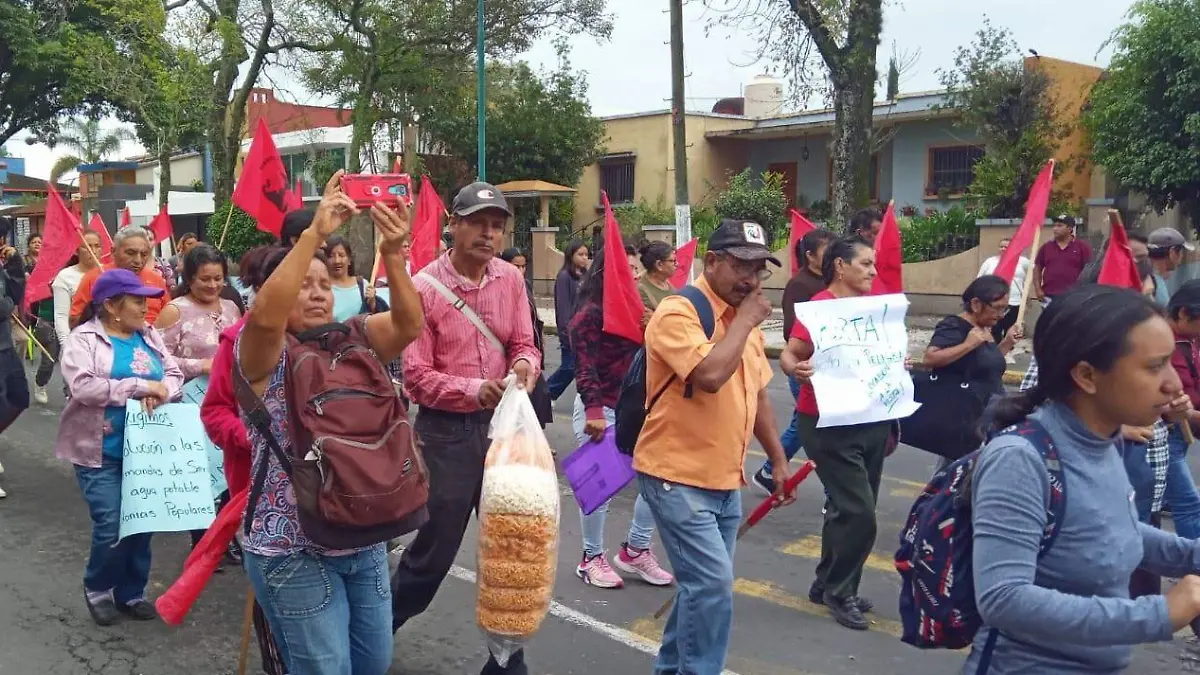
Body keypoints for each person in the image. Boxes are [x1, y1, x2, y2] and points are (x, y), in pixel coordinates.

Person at [236, 171, 423, 675]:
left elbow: (409, 324)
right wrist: (315, 233)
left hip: (363, 536)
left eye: (325, 284)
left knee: (373, 664)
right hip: (292, 546)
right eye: (304, 284)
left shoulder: (357, 336)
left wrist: (397, 252)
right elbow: (266, 319)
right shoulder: (260, 355)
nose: (317, 294)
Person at [963, 283, 1200, 674]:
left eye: (1170, 363)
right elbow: (1004, 598)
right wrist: (1159, 613)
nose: (1174, 385)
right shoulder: (1020, 459)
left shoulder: (1103, 439)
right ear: (1087, 375)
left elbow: (1107, 531)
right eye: (1154, 366)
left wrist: (1190, 555)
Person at [394, 181, 540, 675]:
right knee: (433, 553)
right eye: (478, 222)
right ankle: (370, 635)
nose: (488, 233)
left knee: (514, 553)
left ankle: (506, 661)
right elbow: (415, 375)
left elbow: (526, 342)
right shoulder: (422, 287)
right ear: (452, 225)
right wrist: (473, 390)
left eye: (497, 226)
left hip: (506, 430)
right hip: (447, 436)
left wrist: (524, 367)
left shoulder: (511, 280)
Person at [637, 219, 793, 673]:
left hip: (725, 481)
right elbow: (707, 376)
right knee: (711, 588)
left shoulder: (745, 320)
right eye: (742, 266)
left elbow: (759, 393)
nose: (751, 278)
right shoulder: (678, 312)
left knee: (699, 590)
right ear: (712, 262)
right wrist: (744, 320)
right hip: (675, 477)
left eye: (760, 268)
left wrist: (779, 462)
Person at [54, 269, 183, 625]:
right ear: (111, 305)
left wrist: (164, 392)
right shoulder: (83, 341)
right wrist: (140, 387)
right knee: (111, 524)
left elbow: (172, 375)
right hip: (99, 452)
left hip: (145, 452)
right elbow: (83, 387)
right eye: (138, 300)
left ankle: (131, 592)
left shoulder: (149, 335)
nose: (146, 307)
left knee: (142, 523)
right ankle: (98, 587)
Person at [783, 236, 892, 630]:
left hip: (872, 420)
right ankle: (840, 591)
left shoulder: (874, 308)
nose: (873, 271)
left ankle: (827, 581)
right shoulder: (820, 307)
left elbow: (882, 358)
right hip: (828, 422)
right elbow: (791, 353)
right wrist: (796, 368)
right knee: (860, 512)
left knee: (847, 509)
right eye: (865, 264)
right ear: (840, 266)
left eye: (874, 264)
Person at [199, 243, 287, 675]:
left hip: (327, 498)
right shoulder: (236, 342)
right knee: (274, 600)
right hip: (259, 490)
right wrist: (251, 436)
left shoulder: (338, 338)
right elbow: (214, 412)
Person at [567, 246, 674, 589]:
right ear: (606, 273)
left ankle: (636, 550)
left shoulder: (638, 311)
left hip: (636, 409)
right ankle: (590, 557)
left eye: (635, 268)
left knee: (656, 479)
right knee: (600, 490)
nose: (634, 275)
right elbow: (583, 369)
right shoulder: (589, 314)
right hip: (600, 408)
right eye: (625, 269)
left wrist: (653, 327)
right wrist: (595, 411)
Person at [155, 244, 242, 548]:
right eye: (205, 279)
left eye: (218, 278)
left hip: (229, 403)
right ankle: (203, 542)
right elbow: (157, 358)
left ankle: (227, 537)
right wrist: (200, 365)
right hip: (191, 405)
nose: (213, 285)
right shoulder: (174, 311)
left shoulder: (231, 308)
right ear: (190, 278)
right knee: (200, 474)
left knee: (230, 470)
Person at [751, 227, 835, 495]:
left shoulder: (831, 283)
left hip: (828, 368)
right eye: (827, 251)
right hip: (806, 366)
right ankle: (771, 469)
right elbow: (792, 331)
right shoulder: (800, 285)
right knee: (806, 424)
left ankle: (770, 470)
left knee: (809, 423)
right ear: (810, 255)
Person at [71, 227, 168, 328]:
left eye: (144, 254)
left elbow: (168, 316)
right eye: (131, 253)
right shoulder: (95, 278)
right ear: (113, 252)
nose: (138, 260)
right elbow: (74, 321)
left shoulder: (156, 280)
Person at [1162, 280, 1200, 541]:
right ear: (1184, 313)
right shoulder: (1159, 344)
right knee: (1188, 504)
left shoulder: (1191, 339)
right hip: (1163, 436)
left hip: (1182, 436)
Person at [49, 231, 105, 402]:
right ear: (77, 250)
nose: (92, 250)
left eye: (97, 246)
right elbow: (61, 316)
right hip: (78, 344)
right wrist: (67, 348)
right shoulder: (65, 277)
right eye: (87, 247)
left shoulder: (108, 273)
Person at [547, 240, 589, 400]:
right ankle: (546, 394)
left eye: (586, 255)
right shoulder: (565, 277)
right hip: (571, 331)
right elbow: (563, 307)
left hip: (586, 329)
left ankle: (587, 399)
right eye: (580, 254)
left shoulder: (585, 276)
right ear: (571, 256)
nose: (584, 258)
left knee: (584, 368)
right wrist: (566, 333)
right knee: (569, 367)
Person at [0, 244, 27, 497]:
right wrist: (7, 304)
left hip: (5, 345)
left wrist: (16, 263)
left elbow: (15, 292)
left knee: (19, 397)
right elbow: (4, 306)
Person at [977, 237, 1031, 343]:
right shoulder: (990, 262)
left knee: (1010, 328)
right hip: (993, 302)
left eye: (1006, 247)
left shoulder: (1022, 261)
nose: (1003, 249)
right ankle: (995, 351)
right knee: (995, 328)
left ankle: (1008, 351)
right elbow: (979, 279)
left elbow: (1036, 267)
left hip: (1014, 302)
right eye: (1001, 247)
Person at [1032, 215, 1092, 305]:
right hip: (1049, 296)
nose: (1055, 229)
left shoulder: (1081, 247)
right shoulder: (1046, 247)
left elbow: (1089, 270)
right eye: (1054, 226)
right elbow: (1037, 268)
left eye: (1059, 226)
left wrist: (1085, 292)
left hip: (1073, 296)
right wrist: (1038, 289)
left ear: (1070, 228)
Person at [325, 234, 385, 322]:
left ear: (349, 259)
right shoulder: (322, 287)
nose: (337, 261)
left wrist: (372, 302)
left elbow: (376, 318)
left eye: (341, 255)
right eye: (331, 256)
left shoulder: (363, 285)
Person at [1148, 226, 1193, 307]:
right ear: (1172, 252)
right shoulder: (1156, 285)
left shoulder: (1147, 279)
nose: (1181, 256)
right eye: (1181, 252)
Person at [636, 240, 677, 313]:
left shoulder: (667, 283)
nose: (677, 264)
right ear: (659, 264)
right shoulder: (641, 290)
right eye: (672, 261)